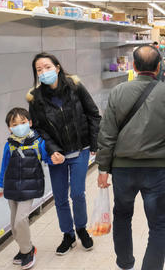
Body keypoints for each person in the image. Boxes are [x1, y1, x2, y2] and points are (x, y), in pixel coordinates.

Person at [96, 45, 165, 270]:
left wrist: (102, 169)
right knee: (158, 225)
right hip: (155, 171)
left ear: (134, 67)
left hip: (122, 171)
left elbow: (106, 133)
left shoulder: (118, 92)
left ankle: (125, 263)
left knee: (122, 216)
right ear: (159, 67)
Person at [26, 53, 101, 256]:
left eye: (47, 67)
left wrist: (94, 142)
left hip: (80, 150)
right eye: (39, 70)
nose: (44, 72)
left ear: (57, 68)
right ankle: (68, 235)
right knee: (60, 197)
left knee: (77, 193)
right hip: (56, 156)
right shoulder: (35, 99)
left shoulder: (75, 87)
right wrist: (52, 150)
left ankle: (81, 229)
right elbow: (37, 130)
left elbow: (93, 113)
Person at [0, 107, 50, 269]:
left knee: (21, 220)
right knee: (14, 225)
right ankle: (25, 247)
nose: (19, 126)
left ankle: (27, 252)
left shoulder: (38, 142)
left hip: (30, 186)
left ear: (30, 123)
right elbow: (4, 167)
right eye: (15, 124)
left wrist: (56, 158)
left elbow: (47, 158)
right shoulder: (9, 145)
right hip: (12, 187)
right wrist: (0, 186)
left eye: (23, 122)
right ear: (9, 128)